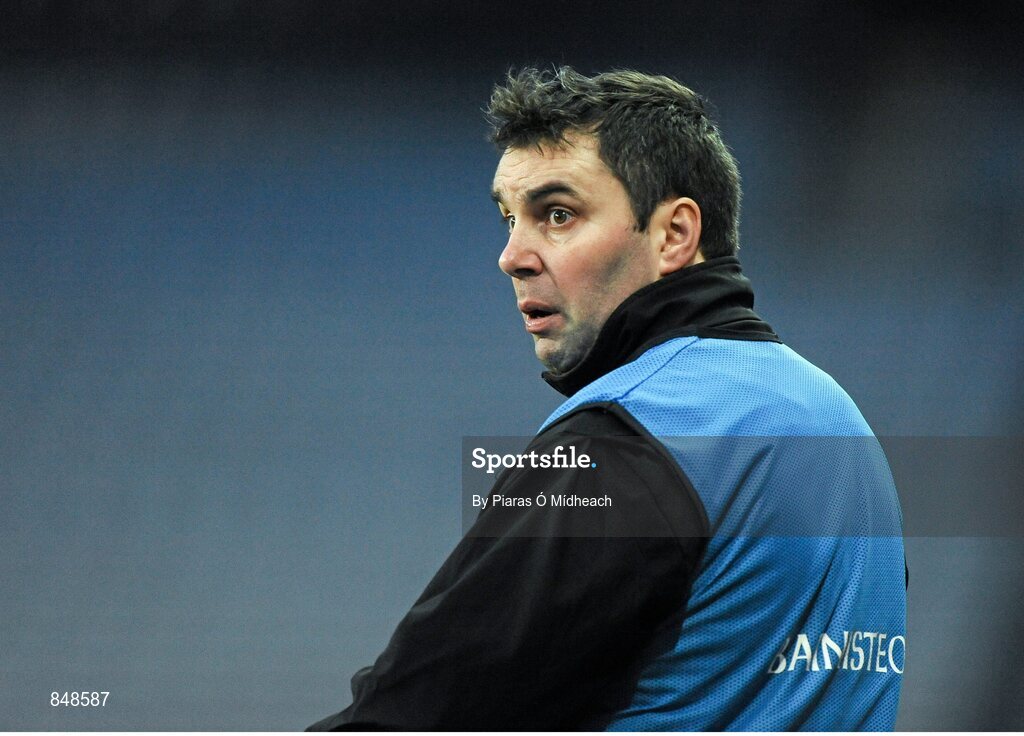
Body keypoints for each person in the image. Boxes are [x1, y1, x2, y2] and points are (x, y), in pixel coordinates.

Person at [308, 66, 907, 731]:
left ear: (674, 234)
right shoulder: (843, 429)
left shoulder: (621, 444)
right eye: (509, 219)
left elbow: (411, 714)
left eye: (557, 215)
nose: (512, 255)